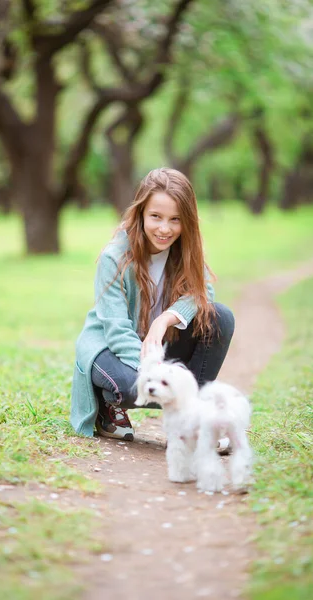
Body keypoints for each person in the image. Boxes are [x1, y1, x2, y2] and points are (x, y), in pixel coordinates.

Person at [70, 168, 235, 442]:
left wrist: (164, 320)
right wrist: (156, 371)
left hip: (158, 343)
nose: (164, 229)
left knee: (221, 317)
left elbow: (202, 289)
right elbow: (118, 330)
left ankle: (192, 418)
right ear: (141, 213)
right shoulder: (115, 257)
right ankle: (107, 408)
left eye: (175, 220)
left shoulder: (185, 249)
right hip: (109, 347)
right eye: (156, 216)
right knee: (130, 388)